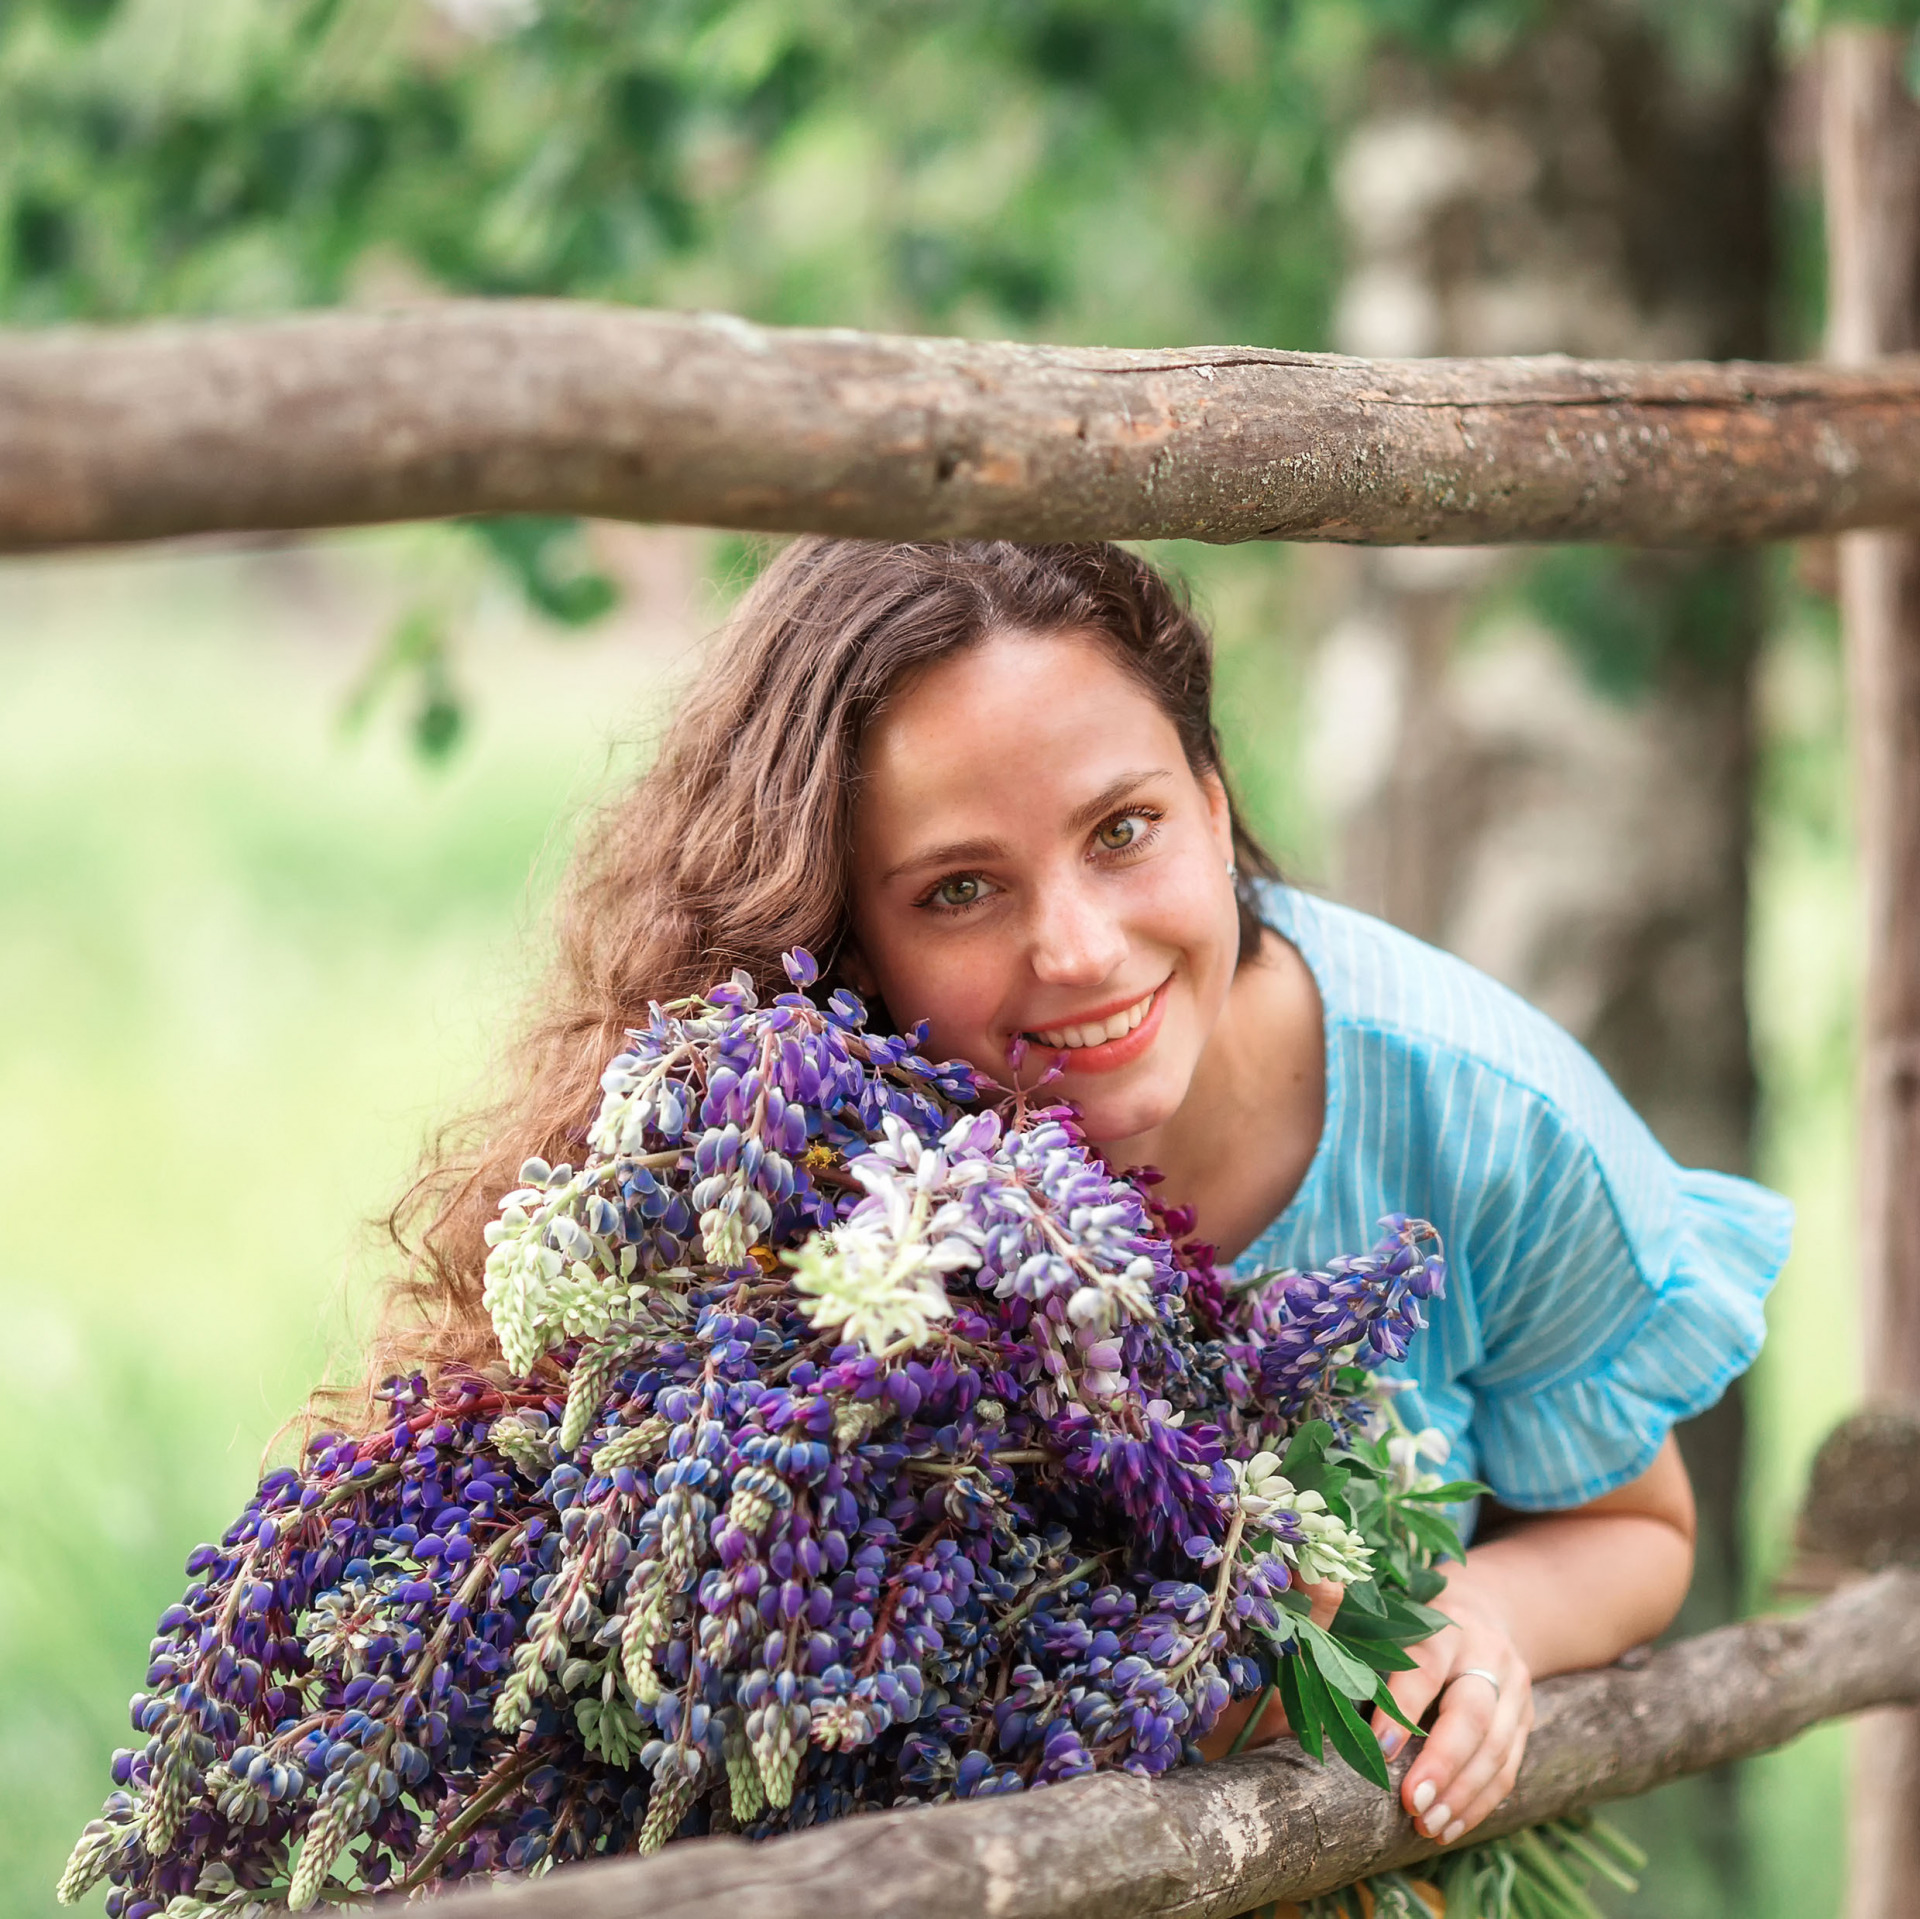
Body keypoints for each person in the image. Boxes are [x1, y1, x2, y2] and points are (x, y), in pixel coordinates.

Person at [383, 538, 1790, 1848]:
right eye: (956, 890)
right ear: (841, 930)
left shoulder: (1484, 1119)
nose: (1075, 948)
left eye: (1123, 831)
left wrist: (1473, 1616)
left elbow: (1635, 1531)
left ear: (1217, 804)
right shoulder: (788, 1173)